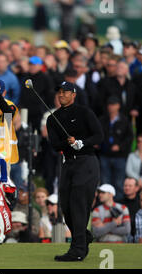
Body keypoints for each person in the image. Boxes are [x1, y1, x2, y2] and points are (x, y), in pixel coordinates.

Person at [46, 81, 103, 261]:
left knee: (79, 205)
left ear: (73, 94)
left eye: (65, 92)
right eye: (59, 92)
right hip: (68, 163)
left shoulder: (84, 112)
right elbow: (54, 145)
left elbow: (99, 135)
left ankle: (77, 250)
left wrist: (82, 142)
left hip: (86, 163)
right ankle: (83, 236)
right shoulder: (52, 118)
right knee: (66, 206)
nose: (61, 95)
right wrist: (69, 143)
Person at [99, 96, 133, 195]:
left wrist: (120, 146)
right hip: (105, 155)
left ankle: (119, 204)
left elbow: (129, 138)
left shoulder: (125, 120)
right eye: (109, 105)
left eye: (113, 105)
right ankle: (105, 204)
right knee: (105, 182)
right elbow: (98, 134)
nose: (111, 107)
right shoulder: (102, 120)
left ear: (118, 106)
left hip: (120, 156)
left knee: (119, 183)